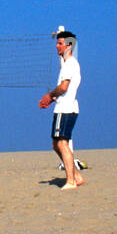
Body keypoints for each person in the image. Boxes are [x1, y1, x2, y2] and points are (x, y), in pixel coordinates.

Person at [39, 29, 83, 189]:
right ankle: (77, 176)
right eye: (57, 43)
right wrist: (52, 99)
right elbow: (64, 89)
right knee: (56, 144)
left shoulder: (70, 64)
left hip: (66, 109)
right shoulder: (67, 64)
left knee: (62, 144)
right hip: (63, 107)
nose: (57, 46)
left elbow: (63, 87)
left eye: (60, 43)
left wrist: (49, 96)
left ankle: (71, 180)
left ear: (69, 46)